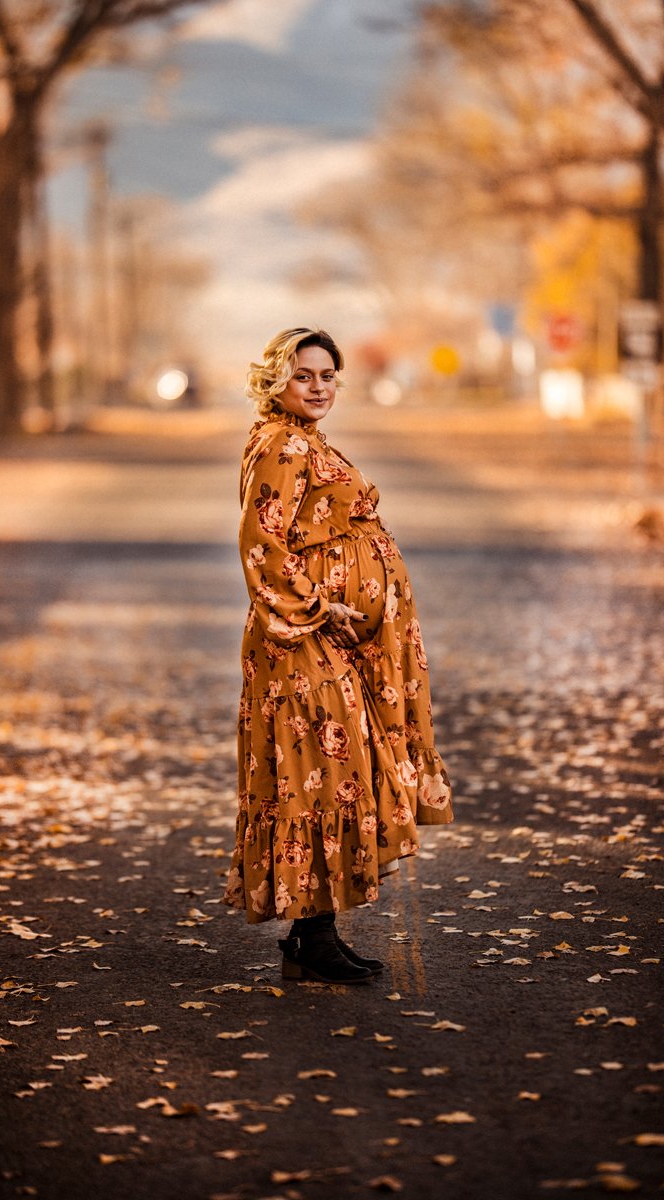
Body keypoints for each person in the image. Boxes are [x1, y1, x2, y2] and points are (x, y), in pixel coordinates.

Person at [223, 327, 453, 983]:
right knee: (321, 775)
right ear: (277, 381)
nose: (319, 386)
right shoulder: (280, 444)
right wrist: (320, 609)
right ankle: (313, 935)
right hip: (300, 639)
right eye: (304, 375)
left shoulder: (306, 439)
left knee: (331, 772)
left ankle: (311, 934)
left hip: (331, 636)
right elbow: (261, 545)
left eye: (327, 375)